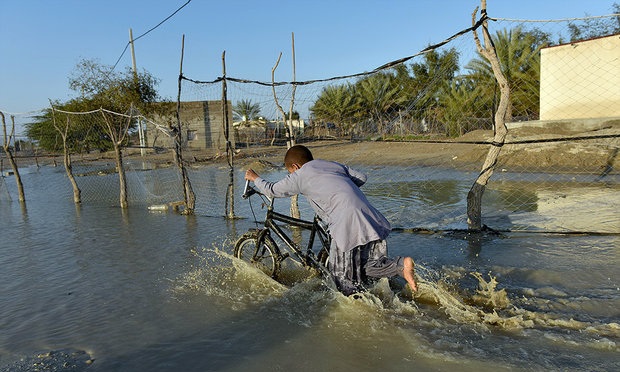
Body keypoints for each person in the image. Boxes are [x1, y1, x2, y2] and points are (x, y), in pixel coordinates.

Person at [245, 144, 418, 296]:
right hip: (368, 215)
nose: (291, 175)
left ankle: (357, 312)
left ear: (295, 166)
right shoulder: (330, 165)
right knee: (366, 267)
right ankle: (400, 266)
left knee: (341, 278)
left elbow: (273, 190)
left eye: (290, 172)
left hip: (346, 222)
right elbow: (362, 177)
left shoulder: (300, 175)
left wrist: (255, 178)